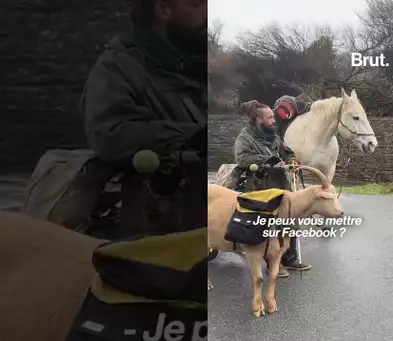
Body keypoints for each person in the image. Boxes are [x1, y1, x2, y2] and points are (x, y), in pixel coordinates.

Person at [79, 0, 206, 236]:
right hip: (158, 226)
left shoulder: (198, 64)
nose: (208, 13)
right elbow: (109, 133)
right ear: (165, 9)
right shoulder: (119, 67)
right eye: (197, 4)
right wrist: (189, 138)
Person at [233, 100, 312, 277]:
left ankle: (289, 258)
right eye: (270, 117)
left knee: (289, 220)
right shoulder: (245, 138)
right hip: (260, 186)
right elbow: (242, 158)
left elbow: (287, 151)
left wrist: (292, 160)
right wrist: (268, 161)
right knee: (269, 226)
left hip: (281, 185)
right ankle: (272, 263)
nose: (274, 119)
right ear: (259, 120)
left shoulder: (274, 137)